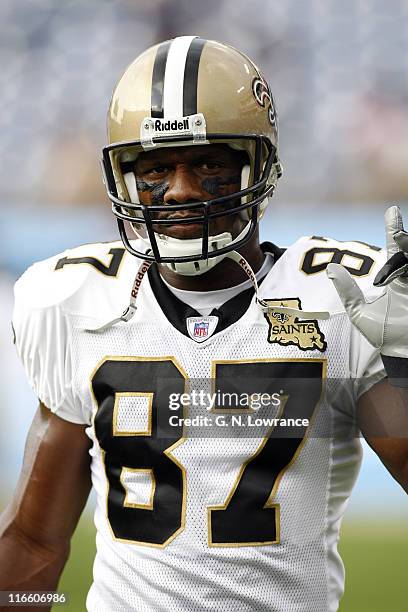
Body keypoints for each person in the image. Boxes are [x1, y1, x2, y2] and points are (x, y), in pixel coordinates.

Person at [0, 36, 407, 612]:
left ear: (256, 167)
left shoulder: (338, 300)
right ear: (124, 178)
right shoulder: (77, 302)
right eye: (156, 167)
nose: (182, 190)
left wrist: (407, 369)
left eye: (210, 164)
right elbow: (35, 540)